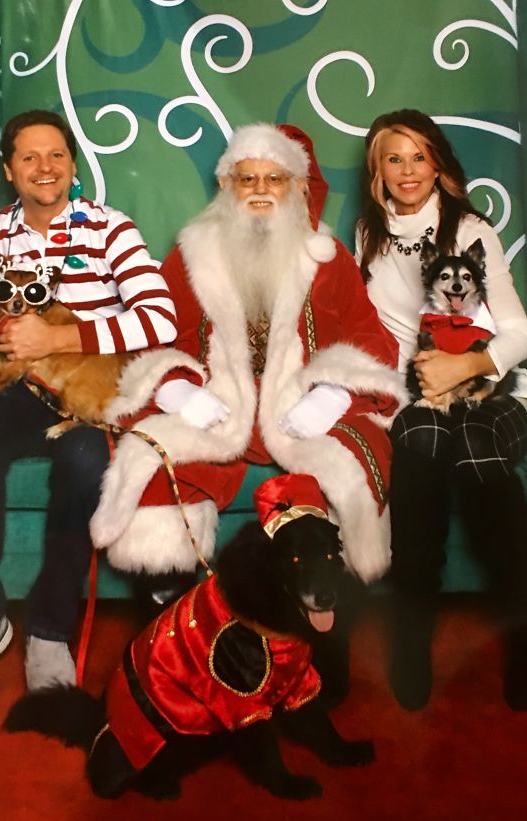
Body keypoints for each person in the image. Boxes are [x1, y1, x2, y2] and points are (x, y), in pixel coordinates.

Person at [90, 123, 407, 696]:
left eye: (274, 178)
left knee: (346, 473)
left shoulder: (327, 258)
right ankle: (170, 650)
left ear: (295, 186)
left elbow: (371, 338)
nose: (260, 188)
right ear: (228, 185)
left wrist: (334, 393)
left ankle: (324, 666)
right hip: (221, 403)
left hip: (299, 408)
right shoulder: (193, 252)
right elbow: (158, 332)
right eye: (247, 178)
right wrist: (178, 389)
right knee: (162, 473)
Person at [0, 109, 177, 717]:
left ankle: (50, 630)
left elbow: (160, 319)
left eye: (57, 154)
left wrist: (59, 339)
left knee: (87, 457)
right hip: (18, 388)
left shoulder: (110, 230)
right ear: (8, 169)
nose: (45, 167)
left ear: (72, 164)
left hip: (88, 392)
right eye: (30, 157)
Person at [355, 108, 527, 710]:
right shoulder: (368, 233)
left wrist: (465, 366)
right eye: (393, 158)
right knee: (422, 449)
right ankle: (411, 636)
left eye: (418, 157)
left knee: (480, 457)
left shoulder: (472, 229)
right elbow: (387, 331)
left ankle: (521, 634)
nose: (407, 170)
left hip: (491, 380)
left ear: (438, 165)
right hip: (421, 385)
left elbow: (519, 332)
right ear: (378, 170)